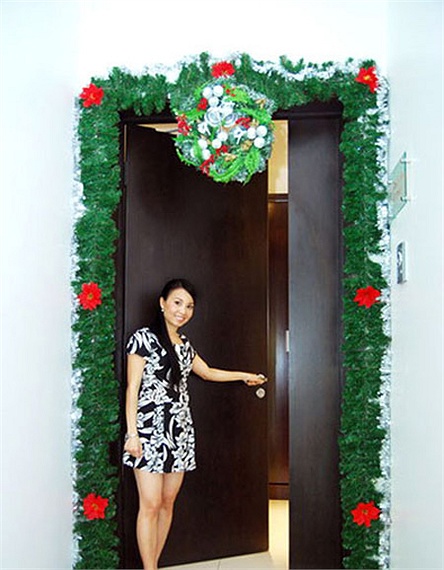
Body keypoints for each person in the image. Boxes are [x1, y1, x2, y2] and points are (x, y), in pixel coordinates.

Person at [123, 278, 267, 570]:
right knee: (150, 504)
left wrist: (244, 376)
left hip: (180, 432)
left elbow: (208, 372)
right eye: (177, 303)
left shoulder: (185, 345)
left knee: (167, 503)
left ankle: (153, 564)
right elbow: (132, 388)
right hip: (148, 433)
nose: (183, 311)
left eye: (189, 306)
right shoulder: (143, 338)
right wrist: (132, 434)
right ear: (162, 303)